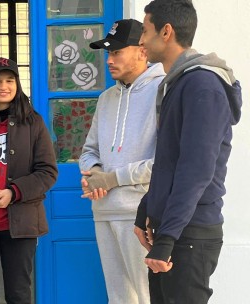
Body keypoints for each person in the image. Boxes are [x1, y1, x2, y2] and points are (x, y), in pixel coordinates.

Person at [134, 1, 242, 303]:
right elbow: (170, 160)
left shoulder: (202, 85)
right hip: (173, 228)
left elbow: (196, 170)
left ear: (166, 32)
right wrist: (147, 209)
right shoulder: (177, 84)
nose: (141, 40)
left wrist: (167, 237)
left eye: (145, 30)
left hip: (189, 233)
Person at [79, 19, 165, 304]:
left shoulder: (163, 90)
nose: (109, 60)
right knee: (119, 299)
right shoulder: (105, 99)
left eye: (117, 52)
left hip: (142, 215)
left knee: (149, 296)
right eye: (108, 53)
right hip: (103, 211)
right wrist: (94, 172)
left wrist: (112, 178)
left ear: (142, 50)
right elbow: (89, 151)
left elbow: (164, 162)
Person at [0, 57, 58, 304]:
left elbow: (47, 171)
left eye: (9, 80)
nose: (3, 86)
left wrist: (13, 192)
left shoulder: (33, 122)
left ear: (17, 84)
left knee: (19, 294)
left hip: (21, 223)